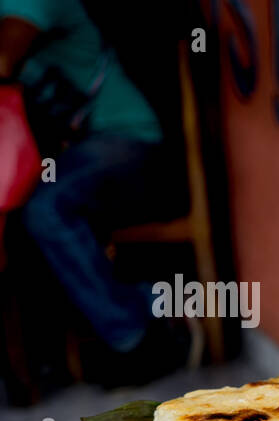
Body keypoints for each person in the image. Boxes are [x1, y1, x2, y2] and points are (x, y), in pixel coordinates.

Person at [0, 0, 174, 366]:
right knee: (16, 223)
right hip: (70, 154)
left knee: (47, 209)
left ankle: (141, 334)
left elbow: (3, 60)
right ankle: (49, 361)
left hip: (129, 140)